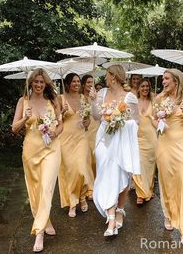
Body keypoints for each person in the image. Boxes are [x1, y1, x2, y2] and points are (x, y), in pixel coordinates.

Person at [12, 68, 63, 253]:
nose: (39, 85)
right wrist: (25, 117)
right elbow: (14, 128)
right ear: (31, 82)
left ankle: (39, 231)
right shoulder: (23, 102)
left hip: (51, 149)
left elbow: (61, 125)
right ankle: (45, 220)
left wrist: (54, 132)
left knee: (47, 187)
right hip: (31, 150)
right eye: (36, 82)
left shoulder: (52, 101)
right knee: (34, 189)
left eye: (42, 82)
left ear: (46, 83)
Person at [89, 65, 141, 237]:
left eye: (107, 75)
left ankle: (117, 212)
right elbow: (97, 117)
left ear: (114, 76)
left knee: (121, 175)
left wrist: (118, 120)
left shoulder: (130, 97)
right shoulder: (102, 93)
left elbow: (136, 122)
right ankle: (112, 217)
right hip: (104, 140)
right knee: (106, 175)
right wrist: (92, 101)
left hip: (121, 142)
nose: (104, 78)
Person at [153, 69, 183, 246]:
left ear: (176, 81)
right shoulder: (159, 99)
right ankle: (168, 215)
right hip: (164, 145)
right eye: (163, 79)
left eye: (166, 79)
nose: (163, 81)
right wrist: (160, 123)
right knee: (167, 182)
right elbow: (152, 119)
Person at [58, 73, 94, 218]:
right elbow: (54, 120)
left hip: (81, 138)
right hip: (65, 139)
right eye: (73, 81)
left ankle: (83, 196)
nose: (77, 83)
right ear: (67, 83)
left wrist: (86, 121)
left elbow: (88, 122)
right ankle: (73, 202)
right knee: (70, 171)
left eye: (78, 81)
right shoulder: (59, 99)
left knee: (81, 169)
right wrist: (61, 112)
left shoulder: (84, 99)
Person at [133, 77, 157, 205]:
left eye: (147, 86)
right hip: (137, 137)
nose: (145, 88)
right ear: (138, 88)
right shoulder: (134, 102)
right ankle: (140, 193)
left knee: (149, 165)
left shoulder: (154, 102)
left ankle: (149, 189)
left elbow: (158, 118)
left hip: (151, 137)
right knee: (138, 163)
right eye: (142, 86)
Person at [81, 74, 100, 199]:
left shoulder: (97, 96)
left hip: (96, 128)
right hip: (84, 131)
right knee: (86, 159)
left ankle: (98, 185)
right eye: (88, 82)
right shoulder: (81, 98)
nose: (90, 84)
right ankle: (90, 188)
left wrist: (95, 99)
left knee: (96, 159)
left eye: (92, 82)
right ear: (83, 84)